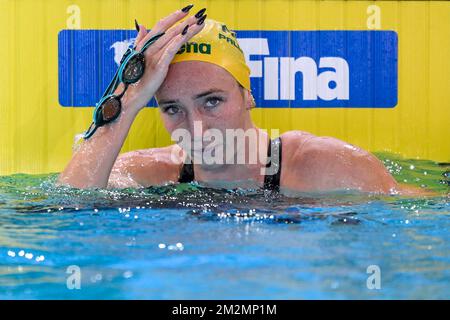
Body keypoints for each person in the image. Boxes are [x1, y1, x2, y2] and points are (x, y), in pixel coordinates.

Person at [57, 6, 408, 195]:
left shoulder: (326, 166)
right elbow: (68, 213)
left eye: (211, 101)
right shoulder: (149, 172)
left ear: (247, 93)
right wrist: (127, 98)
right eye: (172, 108)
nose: (196, 129)